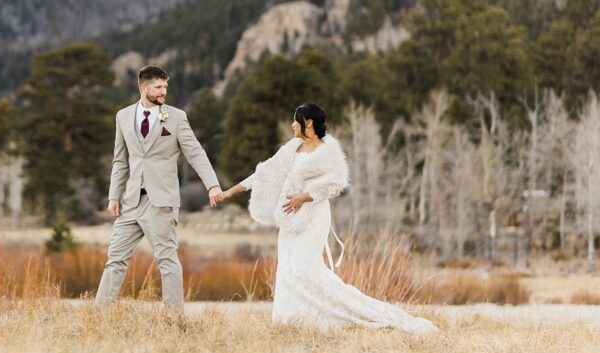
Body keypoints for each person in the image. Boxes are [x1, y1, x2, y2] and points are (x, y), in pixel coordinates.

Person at [219, 103, 437, 333]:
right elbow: (264, 174)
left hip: (313, 218)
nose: (292, 124)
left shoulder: (327, 151)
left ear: (309, 122)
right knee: (289, 270)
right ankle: (291, 321)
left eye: (296, 120)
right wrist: (229, 192)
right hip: (290, 221)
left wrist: (303, 197)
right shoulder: (291, 149)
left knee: (307, 270)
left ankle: (348, 313)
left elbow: (336, 183)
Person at [94, 65, 222, 311]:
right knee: (115, 259)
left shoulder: (176, 117)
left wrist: (212, 185)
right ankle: (100, 315)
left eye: (166, 86)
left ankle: (174, 319)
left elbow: (195, 153)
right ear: (144, 88)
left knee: (167, 261)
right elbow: (120, 160)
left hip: (161, 201)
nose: (164, 91)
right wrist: (114, 196)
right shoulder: (122, 116)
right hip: (130, 201)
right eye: (159, 87)